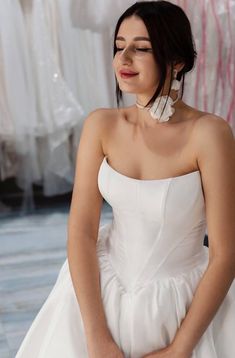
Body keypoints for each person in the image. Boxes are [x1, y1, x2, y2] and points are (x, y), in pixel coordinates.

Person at [16, 1, 235, 357]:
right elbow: (81, 232)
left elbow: (226, 254)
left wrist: (180, 349)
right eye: (119, 46)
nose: (124, 59)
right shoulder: (101, 125)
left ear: (177, 61)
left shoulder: (209, 133)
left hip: (182, 304)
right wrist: (97, 336)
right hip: (98, 291)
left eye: (142, 48)